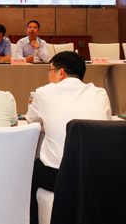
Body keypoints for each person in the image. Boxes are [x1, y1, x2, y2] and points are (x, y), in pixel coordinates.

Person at [26, 51, 111, 224]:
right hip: (95, 176)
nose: (49, 75)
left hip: (59, 177)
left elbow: (30, 124)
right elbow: (103, 127)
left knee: (32, 169)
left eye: (50, 70)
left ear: (61, 72)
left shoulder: (43, 92)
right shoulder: (100, 93)